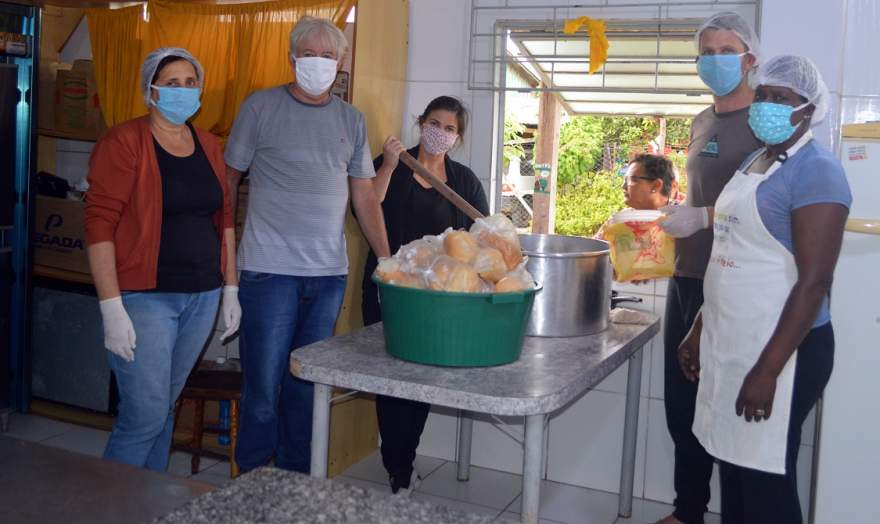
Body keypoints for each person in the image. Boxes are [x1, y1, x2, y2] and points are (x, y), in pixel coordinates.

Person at [677, 54, 850, 524]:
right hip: (734, 340)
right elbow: (728, 256)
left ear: (807, 109)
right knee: (733, 468)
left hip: (786, 351)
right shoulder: (759, 159)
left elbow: (814, 283)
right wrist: (699, 328)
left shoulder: (818, 171)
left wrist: (768, 371)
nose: (768, 105)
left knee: (765, 480)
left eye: (782, 98)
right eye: (764, 96)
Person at [225, 16, 390, 474]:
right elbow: (228, 179)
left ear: (341, 63)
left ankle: (295, 481)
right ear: (292, 57)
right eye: (309, 54)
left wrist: (387, 257)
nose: (318, 63)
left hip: (327, 276)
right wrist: (227, 269)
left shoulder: (350, 119)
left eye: (327, 55)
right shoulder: (260, 107)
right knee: (262, 386)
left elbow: (364, 194)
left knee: (306, 384)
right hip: (268, 271)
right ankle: (254, 481)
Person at [85, 47, 240, 471]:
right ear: (150, 90)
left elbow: (224, 217)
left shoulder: (208, 143)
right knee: (143, 418)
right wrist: (111, 305)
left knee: (165, 410)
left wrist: (230, 287)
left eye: (191, 83)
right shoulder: (123, 141)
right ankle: (113, 509)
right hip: (144, 297)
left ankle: (148, 506)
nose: (184, 91)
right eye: (172, 83)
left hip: (201, 296)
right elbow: (99, 225)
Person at [655, 12, 763, 524]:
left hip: (734, 281)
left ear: (750, 58)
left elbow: (770, 207)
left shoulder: (764, 122)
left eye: (727, 49)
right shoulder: (702, 120)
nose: (715, 59)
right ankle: (687, 512)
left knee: (725, 405)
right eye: (707, 51)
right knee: (683, 402)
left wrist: (703, 217)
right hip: (687, 277)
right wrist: (678, 216)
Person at [361, 96, 489, 495]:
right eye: (435, 123)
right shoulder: (396, 167)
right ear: (420, 123)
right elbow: (366, 205)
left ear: (458, 136)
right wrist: (387, 164)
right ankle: (397, 466)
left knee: (423, 380)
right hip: (388, 287)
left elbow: (481, 235)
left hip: (436, 297)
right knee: (390, 377)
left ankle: (405, 460)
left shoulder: (463, 180)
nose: (441, 133)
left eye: (450, 129)